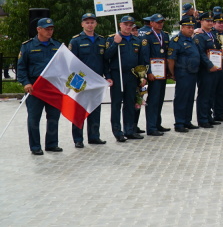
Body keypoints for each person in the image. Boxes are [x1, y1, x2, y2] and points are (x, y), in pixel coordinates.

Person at [17, 18, 62, 155]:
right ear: (38, 29)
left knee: (53, 117)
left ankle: (52, 144)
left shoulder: (58, 46)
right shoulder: (28, 46)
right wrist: (26, 83)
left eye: (51, 29)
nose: (50, 31)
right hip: (35, 87)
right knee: (34, 118)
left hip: (53, 87)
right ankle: (35, 146)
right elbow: (21, 68)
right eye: (47, 29)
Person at [68, 13, 107, 148]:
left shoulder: (101, 40)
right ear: (82, 24)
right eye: (87, 22)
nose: (90, 25)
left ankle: (94, 136)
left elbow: (105, 61)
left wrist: (108, 77)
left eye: (92, 22)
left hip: (96, 80)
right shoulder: (76, 41)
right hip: (81, 80)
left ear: (96, 24)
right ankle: (78, 139)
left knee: (95, 109)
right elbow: (71, 63)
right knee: (79, 110)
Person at [105, 15, 143, 141]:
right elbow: (106, 57)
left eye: (130, 25)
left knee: (130, 104)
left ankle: (129, 130)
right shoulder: (113, 39)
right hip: (117, 75)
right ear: (120, 25)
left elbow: (140, 61)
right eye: (125, 24)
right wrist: (116, 43)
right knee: (116, 105)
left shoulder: (136, 40)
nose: (128, 27)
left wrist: (141, 77)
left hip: (132, 75)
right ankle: (118, 132)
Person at [168, 16, 202, 132]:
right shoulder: (176, 40)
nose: (191, 30)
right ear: (182, 28)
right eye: (188, 27)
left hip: (193, 73)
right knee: (181, 98)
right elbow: (171, 59)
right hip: (182, 73)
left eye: (192, 27)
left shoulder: (192, 39)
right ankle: (179, 123)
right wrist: (172, 74)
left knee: (189, 98)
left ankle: (187, 121)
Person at [139, 13, 171, 136]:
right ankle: (151, 127)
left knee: (160, 99)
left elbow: (166, 54)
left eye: (161, 22)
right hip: (153, 73)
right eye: (157, 22)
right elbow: (145, 56)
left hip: (162, 72)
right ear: (151, 23)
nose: (160, 24)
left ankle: (158, 124)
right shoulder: (148, 37)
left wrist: (168, 71)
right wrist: (149, 72)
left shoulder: (165, 35)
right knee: (153, 100)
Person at [194, 12, 222, 128]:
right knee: (204, 95)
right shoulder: (199, 36)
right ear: (201, 22)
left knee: (211, 94)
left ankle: (209, 116)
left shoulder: (213, 35)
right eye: (207, 21)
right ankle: (202, 119)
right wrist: (210, 65)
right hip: (205, 69)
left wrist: (222, 53)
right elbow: (201, 53)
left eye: (211, 21)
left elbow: (214, 50)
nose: (210, 23)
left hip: (215, 69)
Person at [211, 13, 223, 122]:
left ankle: (220, 112)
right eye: (219, 22)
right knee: (214, 91)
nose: (221, 24)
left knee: (222, 91)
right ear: (214, 24)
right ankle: (214, 113)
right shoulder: (211, 34)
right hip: (214, 67)